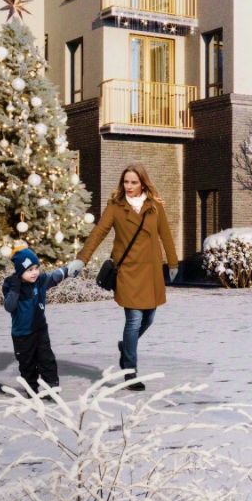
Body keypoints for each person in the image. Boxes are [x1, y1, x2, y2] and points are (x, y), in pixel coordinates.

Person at [76, 163, 179, 390]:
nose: (129, 186)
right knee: (133, 320)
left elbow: (166, 235)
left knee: (148, 319)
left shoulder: (154, 206)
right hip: (128, 271)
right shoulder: (115, 207)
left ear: (143, 183)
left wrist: (172, 262)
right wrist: (82, 258)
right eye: (126, 182)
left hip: (151, 271)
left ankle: (126, 346)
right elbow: (98, 233)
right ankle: (130, 372)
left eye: (134, 182)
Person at [0, 241, 83, 398]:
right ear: (20, 271)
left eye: (36, 268)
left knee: (47, 359)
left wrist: (68, 270)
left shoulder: (40, 281)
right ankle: (31, 390)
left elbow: (54, 276)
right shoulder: (11, 284)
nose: (34, 273)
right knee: (27, 364)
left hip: (40, 329)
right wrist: (16, 288)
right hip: (22, 335)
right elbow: (9, 306)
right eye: (29, 270)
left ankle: (52, 388)